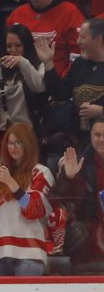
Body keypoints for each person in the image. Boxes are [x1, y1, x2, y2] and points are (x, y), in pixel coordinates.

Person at [0, 122, 54, 276]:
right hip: (0, 249)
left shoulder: (41, 172)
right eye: (10, 143)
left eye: (18, 142)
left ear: (28, 144)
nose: (13, 147)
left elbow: (34, 209)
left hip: (29, 251)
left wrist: (11, 183)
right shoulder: (1, 173)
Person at [6, 0, 85, 77]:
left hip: (57, 80)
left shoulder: (70, 12)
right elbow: (7, 50)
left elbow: (79, 53)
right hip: (22, 81)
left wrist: (65, 80)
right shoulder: (17, 14)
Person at [0, 23, 46, 137]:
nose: (13, 50)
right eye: (9, 46)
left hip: (28, 131)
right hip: (1, 131)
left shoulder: (38, 64)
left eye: (18, 45)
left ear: (27, 45)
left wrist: (22, 62)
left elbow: (39, 87)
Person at [38, 17, 104, 145]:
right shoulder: (80, 63)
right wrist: (48, 63)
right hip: (79, 138)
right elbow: (60, 94)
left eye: (83, 38)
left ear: (98, 39)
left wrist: (101, 111)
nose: (78, 41)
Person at [54, 117, 104, 274]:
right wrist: (69, 178)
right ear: (90, 135)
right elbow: (58, 202)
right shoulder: (80, 164)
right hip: (88, 244)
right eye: (97, 135)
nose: (101, 139)